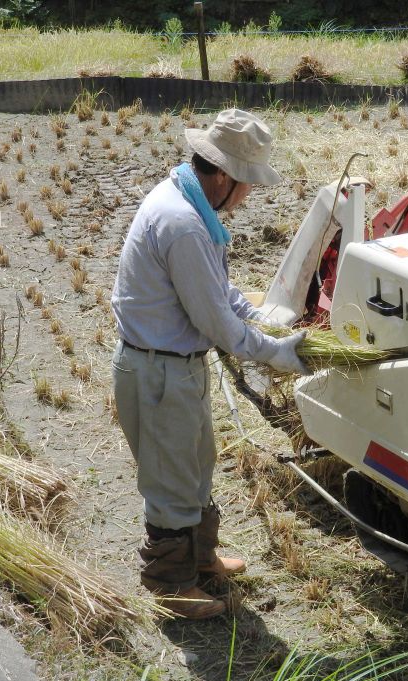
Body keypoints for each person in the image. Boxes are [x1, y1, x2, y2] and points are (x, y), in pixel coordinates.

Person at [111, 108, 308, 620]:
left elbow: (218, 292)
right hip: (159, 372)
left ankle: (200, 558)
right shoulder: (183, 225)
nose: (249, 195)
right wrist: (277, 353)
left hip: (176, 365)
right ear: (222, 175)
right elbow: (217, 324)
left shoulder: (187, 202)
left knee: (197, 464)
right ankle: (171, 585)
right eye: (247, 183)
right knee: (171, 480)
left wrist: (262, 319)